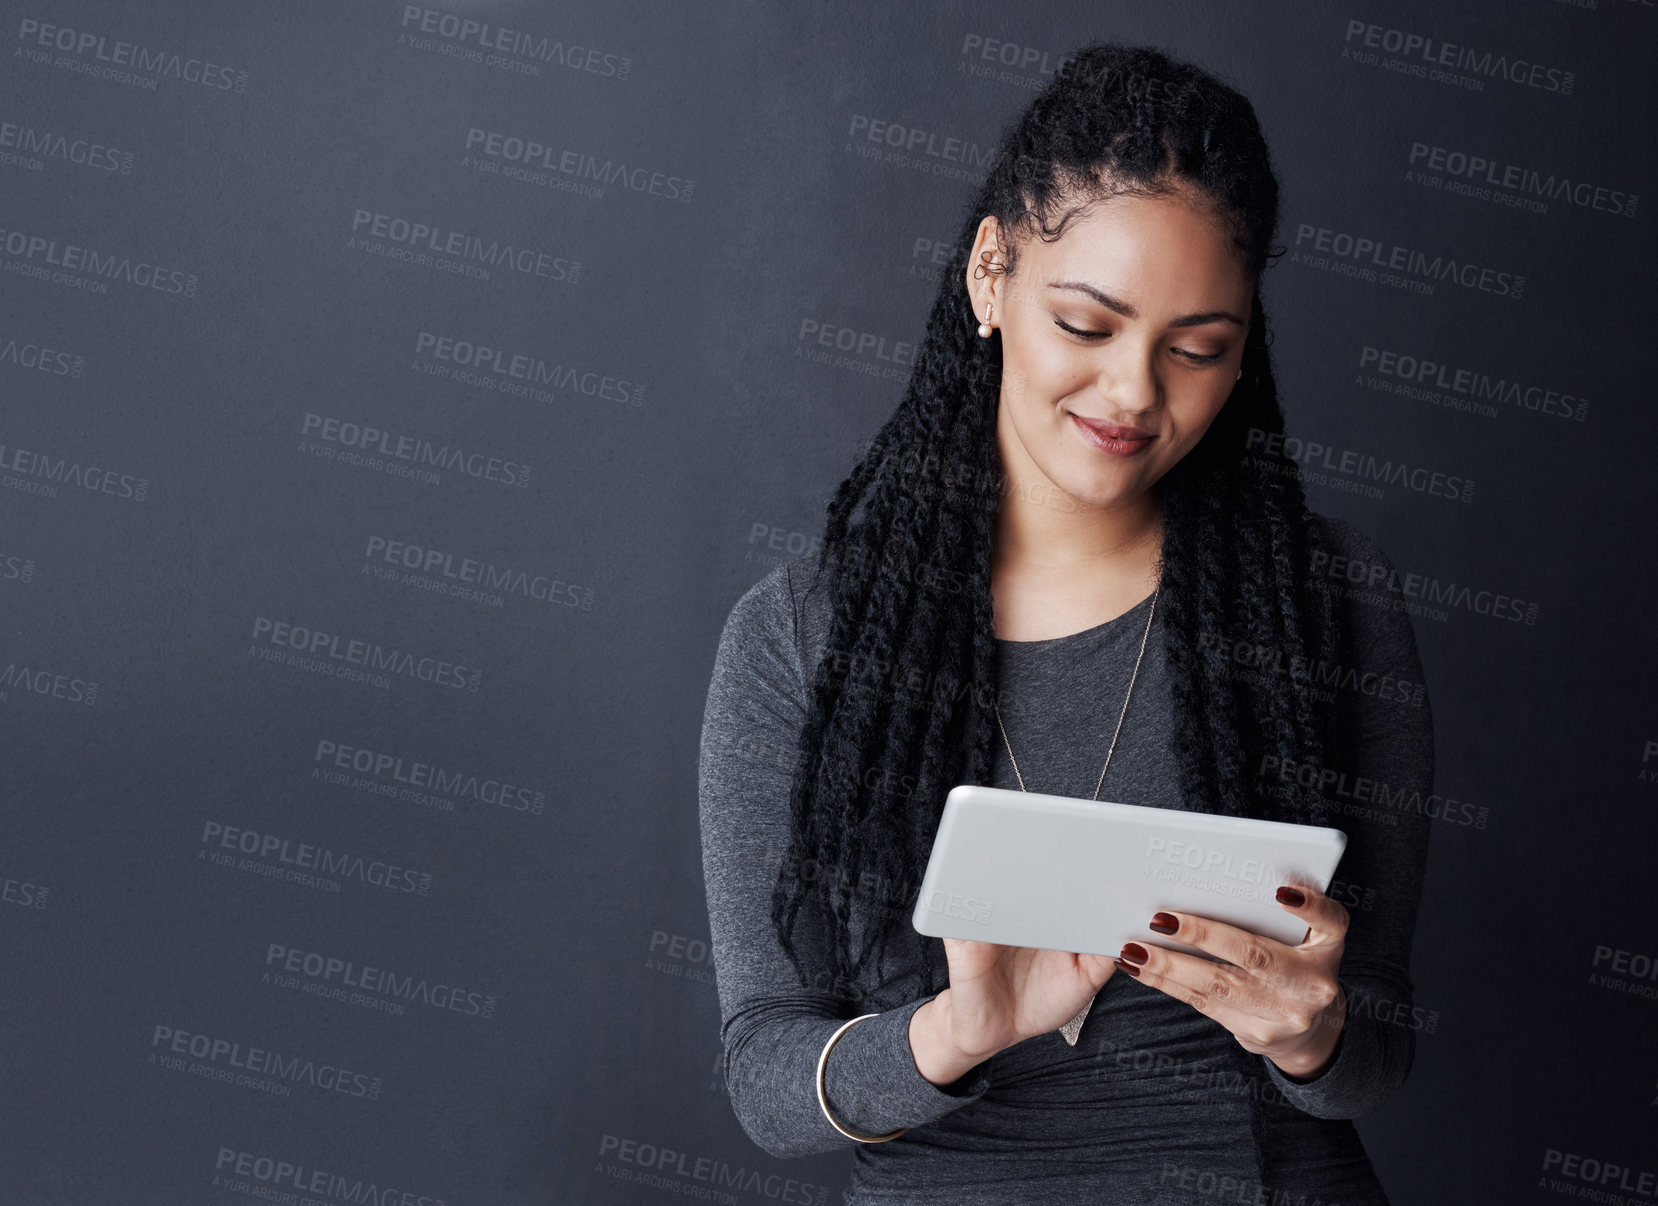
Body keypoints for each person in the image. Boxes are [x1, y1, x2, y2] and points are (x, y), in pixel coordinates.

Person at [698, 40, 1434, 1206]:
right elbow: (764, 1073)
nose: (1136, 393)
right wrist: (952, 1032)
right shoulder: (796, 635)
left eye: (1197, 350)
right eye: (1087, 325)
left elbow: (1373, 1050)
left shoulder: (1328, 605)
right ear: (990, 274)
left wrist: (1310, 1036)